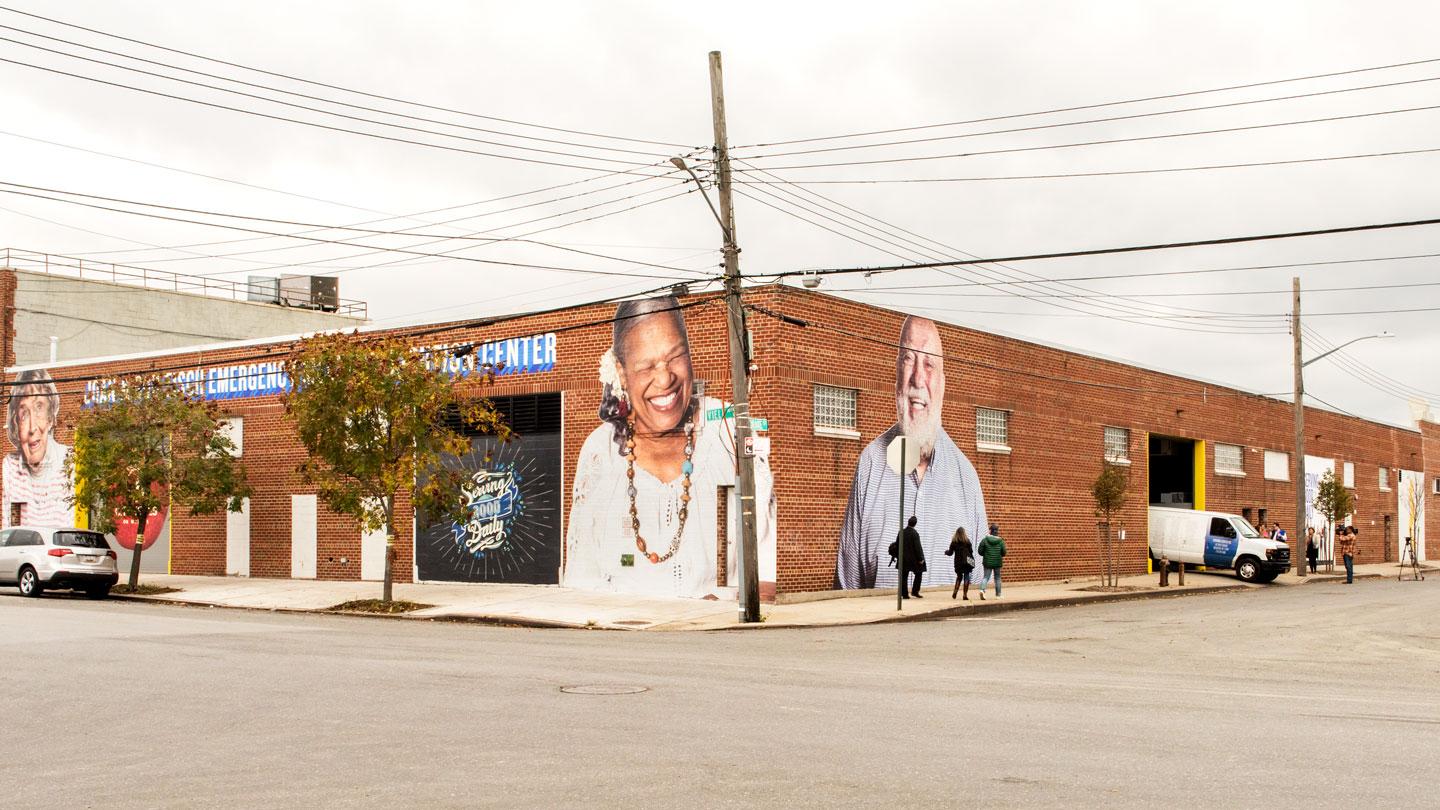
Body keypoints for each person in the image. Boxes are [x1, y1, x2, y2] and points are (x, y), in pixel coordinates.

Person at [565, 296, 777, 598]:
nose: (665, 379)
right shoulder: (601, 452)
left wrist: (723, 604)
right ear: (622, 373)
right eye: (646, 366)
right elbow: (580, 579)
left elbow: (770, 571)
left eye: (675, 356)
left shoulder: (730, 431)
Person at [836, 316, 988, 591]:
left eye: (929, 364)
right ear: (896, 375)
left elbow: (978, 590)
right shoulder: (870, 464)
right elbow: (847, 586)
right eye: (908, 359)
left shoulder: (966, 477)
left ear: (942, 385)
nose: (918, 378)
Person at [4, 369, 75, 528]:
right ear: (16, 422)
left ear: (51, 418)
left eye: (39, 409)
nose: (31, 428)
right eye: (24, 415)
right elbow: (11, 528)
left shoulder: (71, 462)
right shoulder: (11, 467)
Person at [976, 523, 1006, 599]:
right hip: (997, 562)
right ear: (997, 531)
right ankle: (998, 595)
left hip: (987, 562)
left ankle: (982, 590)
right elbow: (1004, 552)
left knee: (986, 577)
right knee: (997, 578)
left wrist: (985, 554)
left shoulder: (985, 540)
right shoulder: (1001, 541)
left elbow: (980, 551)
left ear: (990, 531)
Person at [945, 525, 975, 600]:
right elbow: (971, 551)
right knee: (966, 577)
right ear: (964, 533)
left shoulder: (954, 542)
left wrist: (946, 552)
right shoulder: (967, 541)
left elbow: (950, 553)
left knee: (959, 577)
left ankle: (955, 591)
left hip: (958, 562)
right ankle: (965, 595)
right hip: (967, 561)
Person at [898, 515, 925, 598]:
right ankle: (915, 591)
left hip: (903, 558)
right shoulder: (914, 533)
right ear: (915, 524)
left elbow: (897, 544)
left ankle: (904, 594)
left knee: (904, 576)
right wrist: (921, 558)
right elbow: (918, 547)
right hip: (913, 560)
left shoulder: (901, 532)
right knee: (919, 573)